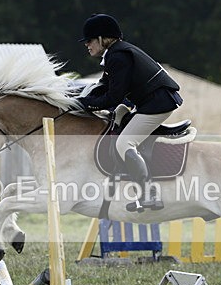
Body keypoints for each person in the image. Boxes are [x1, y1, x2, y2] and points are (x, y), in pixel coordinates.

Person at [77, 13, 184, 212]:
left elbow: (112, 98)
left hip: (158, 104)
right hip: (151, 101)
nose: (86, 44)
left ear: (101, 38)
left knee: (124, 143)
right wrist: (79, 99)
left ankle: (149, 193)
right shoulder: (115, 53)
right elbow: (104, 88)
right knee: (117, 115)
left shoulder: (118, 57)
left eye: (89, 40)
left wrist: (83, 104)